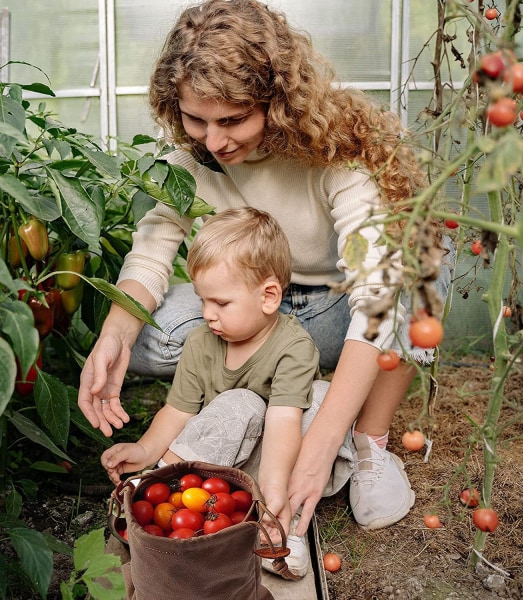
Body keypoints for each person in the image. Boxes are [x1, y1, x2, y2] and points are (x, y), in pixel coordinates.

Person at [78, 0, 455, 540]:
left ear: (275, 102)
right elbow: (154, 245)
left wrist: (323, 442)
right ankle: (255, 402)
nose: (212, 141)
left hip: (336, 305)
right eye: (195, 119)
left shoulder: (336, 150)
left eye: (232, 120)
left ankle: (368, 440)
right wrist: (114, 334)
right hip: (263, 307)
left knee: (421, 272)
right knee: (140, 340)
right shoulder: (195, 154)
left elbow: (377, 293)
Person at [102, 206, 327, 578]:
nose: (207, 313)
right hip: (225, 464)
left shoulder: (294, 347)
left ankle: (286, 520)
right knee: (241, 402)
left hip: (282, 461)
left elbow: (286, 422)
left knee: (321, 398)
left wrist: (274, 492)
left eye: (220, 303)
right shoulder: (201, 343)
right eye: (202, 299)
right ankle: (163, 488)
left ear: (269, 296)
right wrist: (144, 450)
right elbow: (177, 411)